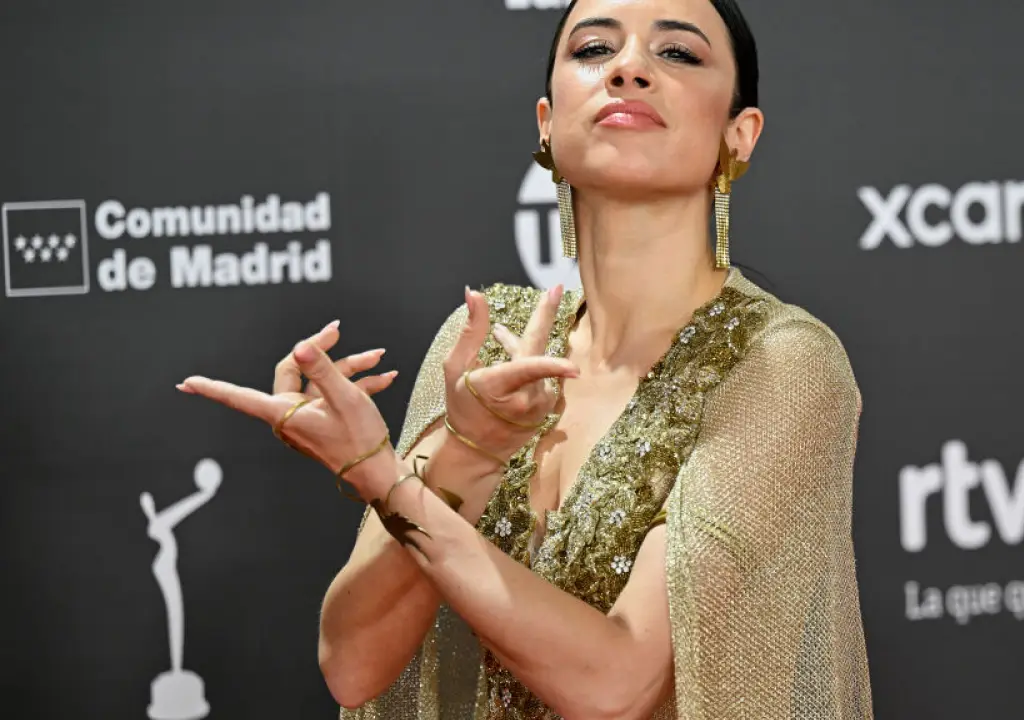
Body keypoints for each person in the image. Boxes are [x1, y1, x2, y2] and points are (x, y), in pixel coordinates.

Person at [177, 0, 873, 717]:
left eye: (677, 53)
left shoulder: (782, 363)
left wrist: (384, 478)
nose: (629, 68)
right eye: (594, 49)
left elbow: (617, 685)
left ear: (740, 134)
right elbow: (353, 667)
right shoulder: (486, 339)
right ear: (546, 121)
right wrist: (468, 453)